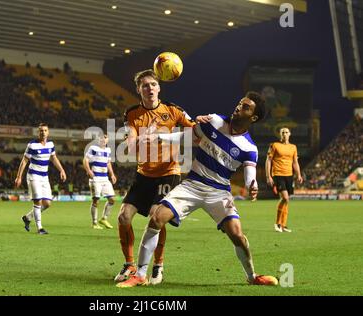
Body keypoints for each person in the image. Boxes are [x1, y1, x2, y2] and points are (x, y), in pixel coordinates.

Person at [117, 92, 278, 287]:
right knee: (157, 218)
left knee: (237, 234)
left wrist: (252, 185)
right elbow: (186, 136)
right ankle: (141, 274)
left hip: (219, 192)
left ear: (253, 118)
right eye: (239, 103)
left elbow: (250, 176)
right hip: (192, 185)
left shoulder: (249, 148)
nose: (238, 107)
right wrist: (160, 137)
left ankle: (252, 276)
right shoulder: (215, 121)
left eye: (246, 107)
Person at [114, 69, 196, 285]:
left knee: (155, 216)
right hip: (144, 174)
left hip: (168, 174)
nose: (149, 88)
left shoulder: (173, 111)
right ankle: (129, 264)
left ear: (159, 87)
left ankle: (158, 266)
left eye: (153, 84)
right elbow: (130, 148)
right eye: (145, 85)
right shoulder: (132, 114)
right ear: (139, 90)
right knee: (123, 217)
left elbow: (197, 133)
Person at [15, 123, 67, 234]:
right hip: (33, 175)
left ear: (48, 132)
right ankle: (40, 228)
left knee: (47, 203)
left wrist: (62, 170)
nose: (43, 132)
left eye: (45, 130)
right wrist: (18, 177)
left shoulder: (50, 145)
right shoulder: (32, 145)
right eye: (41, 131)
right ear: (38, 132)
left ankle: (28, 218)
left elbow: (54, 158)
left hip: (44, 176)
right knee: (37, 201)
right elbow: (24, 161)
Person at [265, 127, 303, 233]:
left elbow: (295, 162)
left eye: (286, 132)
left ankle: (283, 225)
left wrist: (299, 174)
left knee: (287, 200)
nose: (284, 134)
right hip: (278, 174)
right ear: (280, 134)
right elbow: (268, 161)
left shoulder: (293, 147)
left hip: (289, 175)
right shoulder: (274, 145)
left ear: (290, 134)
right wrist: (268, 176)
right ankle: (277, 223)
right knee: (285, 198)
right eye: (282, 132)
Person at [83, 134, 116, 229]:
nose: (103, 139)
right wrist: (88, 170)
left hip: (105, 178)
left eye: (105, 138)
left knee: (112, 199)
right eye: (101, 138)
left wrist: (112, 174)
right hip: (95, 178)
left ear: (107, 140)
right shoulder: (93, 148)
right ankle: (94, 223)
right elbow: (85, 160)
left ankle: (104, 218)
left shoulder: (108, 150)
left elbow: (108, 163)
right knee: (96, 200)